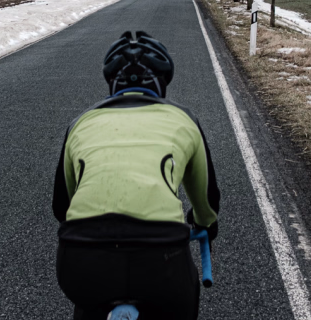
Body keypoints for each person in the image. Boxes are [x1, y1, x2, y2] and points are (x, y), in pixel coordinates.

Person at [52, 31, 221, 320]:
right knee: (182, 296)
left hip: (82, 258)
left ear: (111, 83)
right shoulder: (184, 119)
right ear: (162, 82)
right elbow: (206, 202)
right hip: (162, 258)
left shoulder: (79, 123)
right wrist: (206, 224)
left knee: (88, 303)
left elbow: (62, 208)